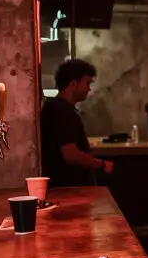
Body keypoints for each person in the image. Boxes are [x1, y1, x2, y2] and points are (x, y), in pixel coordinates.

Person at [41, 59, 111, 187]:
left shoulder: (56, 107)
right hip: (68, 189)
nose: (89, 89)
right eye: (87, 83)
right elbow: (70, 154)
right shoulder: (61, 110)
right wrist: (102, 164)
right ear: (73, 83)